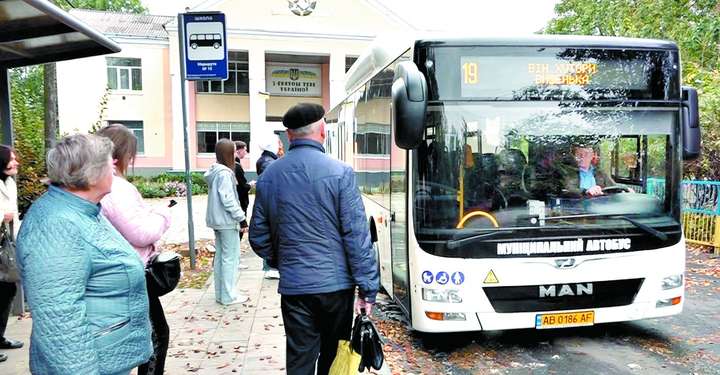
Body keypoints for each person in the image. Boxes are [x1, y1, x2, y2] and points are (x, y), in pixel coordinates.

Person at [250, 103, 379, 375]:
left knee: (299, 359)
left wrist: (283, 261)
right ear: (322, 131)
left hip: (296, 287)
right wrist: (367, 289)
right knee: (333, 357)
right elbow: (357, 237)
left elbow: (258, 237)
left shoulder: (269, 176)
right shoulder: (340, 172)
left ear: (289, 134)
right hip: (336, 289)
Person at [16, 134, 152, 375]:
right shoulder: (57, 225)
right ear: (90, 174)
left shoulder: (84, 211)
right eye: (109, 161)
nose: (114, 166)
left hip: (107, 359)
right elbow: (60, 321)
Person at [98, 124, 172, 375]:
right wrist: (162, 214)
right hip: (130, 273)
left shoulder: (103, 184)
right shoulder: (116, 187)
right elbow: (140, 232)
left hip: (117, 272)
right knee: (155, 336)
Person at [205, 139, 249, 305]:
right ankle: (229, 295)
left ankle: (221, 294)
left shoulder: (215, 171)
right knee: (230, 258)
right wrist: (242, 218)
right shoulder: (225, 173)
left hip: (217, 221)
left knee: (221, 258)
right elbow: (228, 199)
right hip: (227, 221)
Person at [0, 145, 22, 363]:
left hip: (7, 248)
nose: (15, 162)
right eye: (11, 159)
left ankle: (0, 337)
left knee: (8, 291)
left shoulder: (10, 183)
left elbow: (14, 217)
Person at [255, 134, 280, 279]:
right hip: (271, 203)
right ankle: (269, 266)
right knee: (270, 232)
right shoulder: (268, 162)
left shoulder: (267, 160)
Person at [234, 141, 254, 271]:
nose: (246, 152)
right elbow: (241, 187)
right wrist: (250, 185)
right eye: (245, 150)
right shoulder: (236, 166)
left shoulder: (234, 164)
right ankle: (236, 260)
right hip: (240, 203)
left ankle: (235, 260)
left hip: (239, 202)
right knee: (239, 232)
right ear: (238, 150)